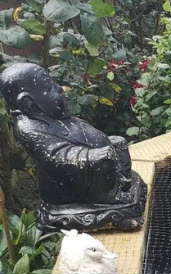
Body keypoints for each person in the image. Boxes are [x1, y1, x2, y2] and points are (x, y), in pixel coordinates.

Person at [0, 63, 133, 207]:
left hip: (98, 164)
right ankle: (110, 198)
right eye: (50, 87)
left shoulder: (53, 115)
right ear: (30, 104)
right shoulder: (29, 128)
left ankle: (121, 181)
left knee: (118, 142)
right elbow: (56, 157)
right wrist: (93, 154)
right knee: (103, 158)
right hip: (73, 185)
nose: (60, 89)